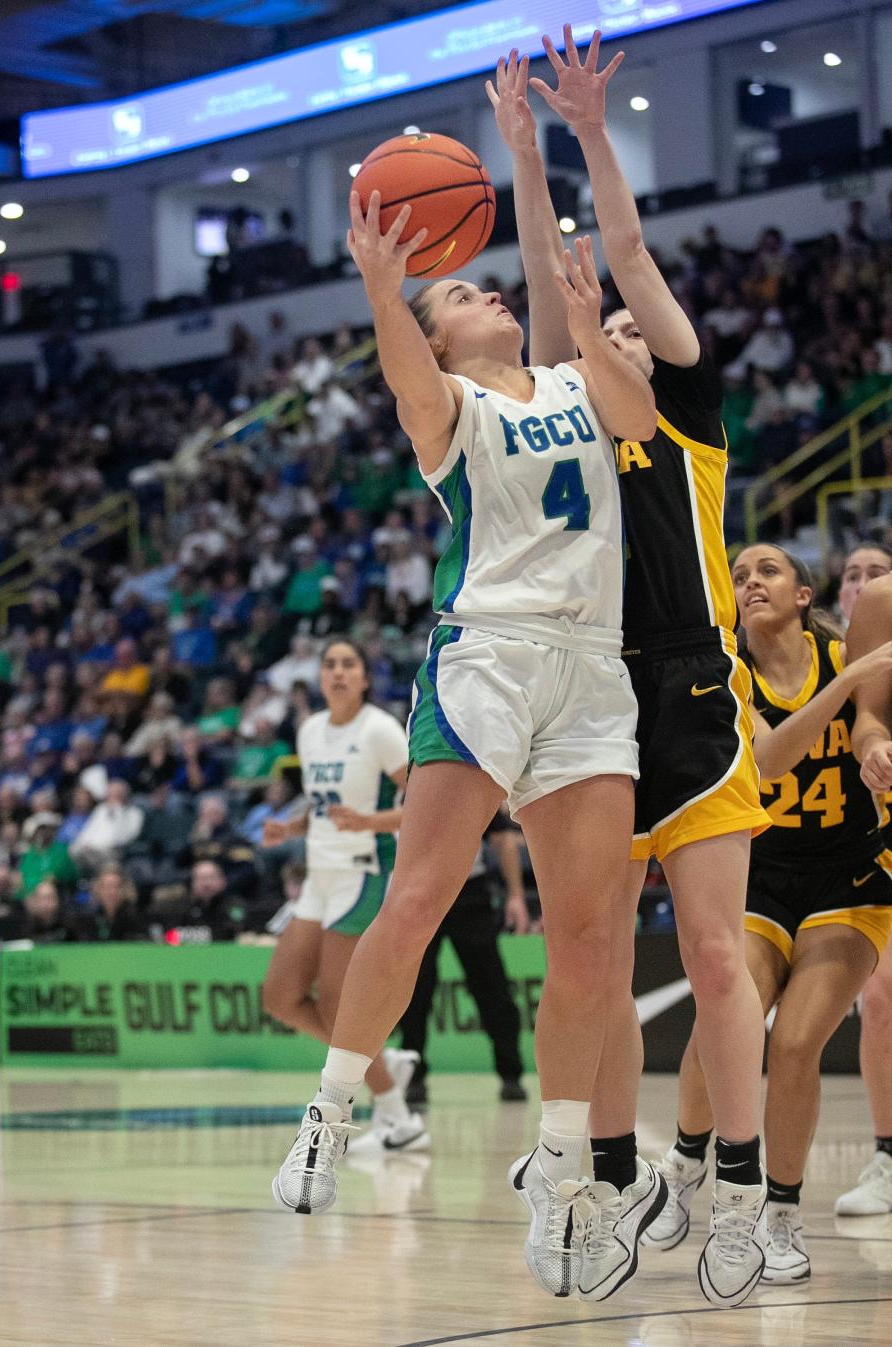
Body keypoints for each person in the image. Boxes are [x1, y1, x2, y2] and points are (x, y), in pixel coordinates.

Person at [271, 163, 657, 1309]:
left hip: (594, 670)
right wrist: (391, 295)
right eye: (464, 297)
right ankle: (334, 1109)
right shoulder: (452, 405)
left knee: (590, 940)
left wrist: (587, 324)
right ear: (440, 339)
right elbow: (403, 378)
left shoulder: (573, 378)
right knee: (422, 893)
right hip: (485, 653)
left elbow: (637, 423)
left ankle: (564, 1164)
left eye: (490, 289)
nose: (487, 294)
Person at [496, 33, 769, 1305]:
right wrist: (521, 153)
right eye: (596, 332)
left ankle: (742, 1195)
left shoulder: (691, 419)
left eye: (627, 330)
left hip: (700, 695)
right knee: (593, 960)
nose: (608, 329)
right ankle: (605, 1181)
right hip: (597, 698)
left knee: (717, 961)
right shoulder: (575, 433)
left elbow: (627, 263)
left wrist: (596, 134)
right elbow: (555, 291)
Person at [645, 545, 892, 1282]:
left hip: (849, 874)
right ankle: (689, 1159)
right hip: (758, 873)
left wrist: (871, 732)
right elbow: (771, 758)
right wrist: (846, 681)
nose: (750, 581)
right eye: (740, 574)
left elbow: (870, 726)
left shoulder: (848, 653)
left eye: (768, 572)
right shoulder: (728, 667)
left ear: (804, 592)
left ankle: (781, 1215)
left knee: (794, 1045)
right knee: (729, 1014)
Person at [262, 637, 425, 1154]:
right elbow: (324, 804)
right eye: (329, 664)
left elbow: (423, 803)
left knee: (338, 1006)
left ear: (365, 677)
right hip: (319, 874)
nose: (337, 673)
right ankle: (376, 1057)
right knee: (281, 997)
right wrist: (290, 829)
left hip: (364, 872)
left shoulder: (379, 730)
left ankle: (399, 1122)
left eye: (348, 664)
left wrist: (369, 821)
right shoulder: (310, 731)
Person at [834, 571, 892, 1215]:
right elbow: (869, 717)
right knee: (883, 996)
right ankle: (889, 1154)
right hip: (864, 833)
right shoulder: (882, 604)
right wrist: (873, 745)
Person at [401, 811, 528, 1104]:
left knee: (493, 987)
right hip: (417, 891)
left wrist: (516, 896)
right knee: (414, 993)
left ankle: (511, 1074)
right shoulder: (398, 786)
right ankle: (413, 1077)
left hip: (469, 892)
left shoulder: (469, 773)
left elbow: (504, 840)